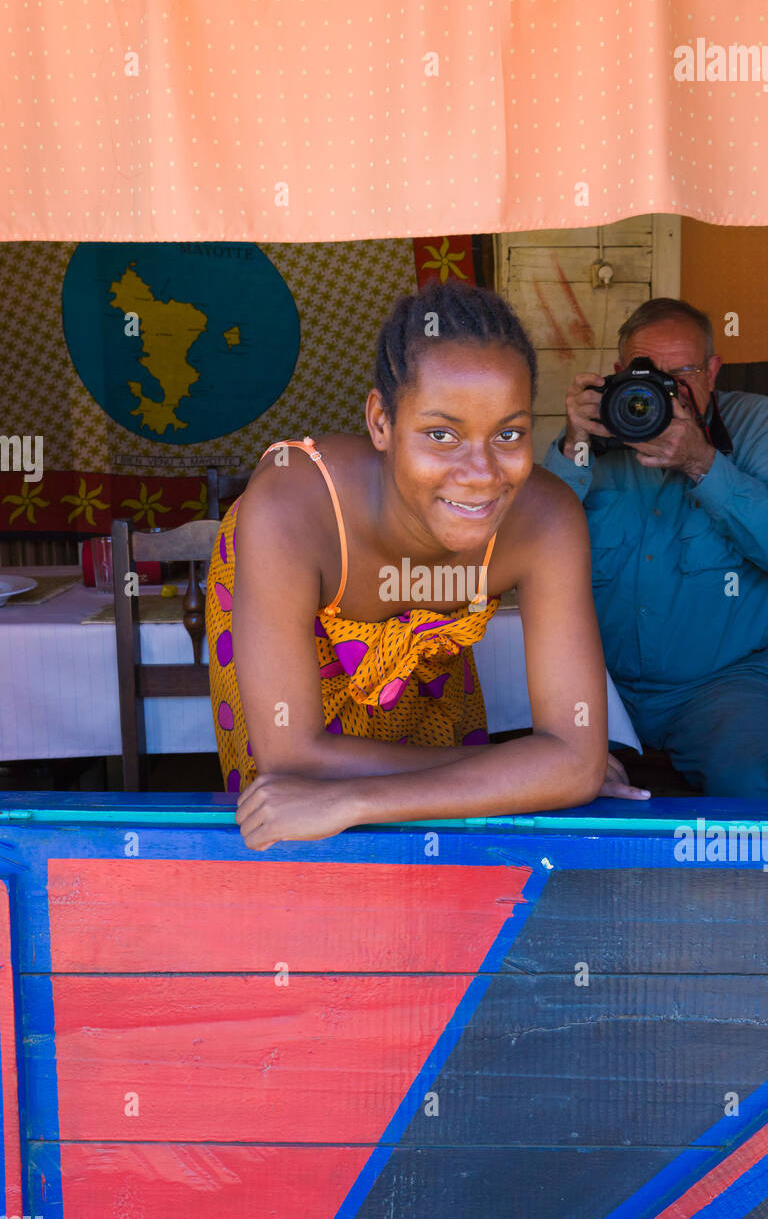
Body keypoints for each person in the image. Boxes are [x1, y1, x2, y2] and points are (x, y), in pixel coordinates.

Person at [206, 280, 647, 849]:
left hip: (416, 705)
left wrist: (355, 800)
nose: (482, 473)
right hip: (289, 653)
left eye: (508, 434)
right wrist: (523, 773)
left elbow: (575, 758)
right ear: (381, 423)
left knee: (439, 854)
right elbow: (291, 757)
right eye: (442, 435)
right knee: (296, 831)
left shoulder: (548, 520)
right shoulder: (290, 506)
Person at [542, 297, 768, 799]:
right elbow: (532, 544)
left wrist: (702, 462)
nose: (664, 389)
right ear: (618, 373)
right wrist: (573, 444)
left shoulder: (758, 428)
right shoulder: (597, 433)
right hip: (599, 686)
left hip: (724, 685)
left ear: (713, 371)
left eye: (684, 372)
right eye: (646, 373)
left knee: (750, 792)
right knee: (536, 780)